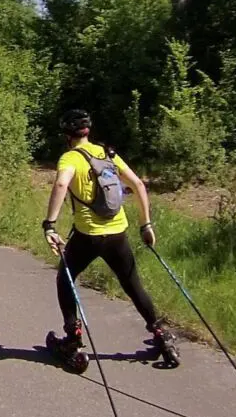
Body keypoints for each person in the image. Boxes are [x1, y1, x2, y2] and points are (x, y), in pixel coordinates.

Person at [41, 109, 177, 363]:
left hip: (88, 236)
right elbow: (138, 185)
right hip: (118, 233)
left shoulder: (70, 158)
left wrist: (50, 224)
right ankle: (160, 333)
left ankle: (73, 338)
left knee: (65, 279)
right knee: (132, 284)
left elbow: (61, 184)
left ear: (67, 135)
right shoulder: (107, 154)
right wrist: (146, 225)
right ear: (87, 131)